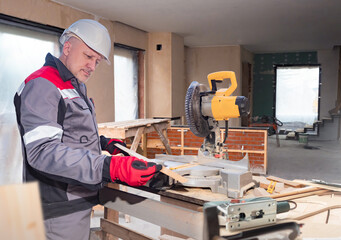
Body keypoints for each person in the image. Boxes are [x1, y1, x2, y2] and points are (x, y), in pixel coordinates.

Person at [14, 19, 161, 240]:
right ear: (67, 47)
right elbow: (42, 152)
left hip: (75, 196)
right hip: (58, 205)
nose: (92, 66)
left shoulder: (73, 84)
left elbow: (69, 132)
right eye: (88, 56)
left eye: (98, 61)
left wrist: (105, 144)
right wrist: (109, 167)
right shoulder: (43, 84)